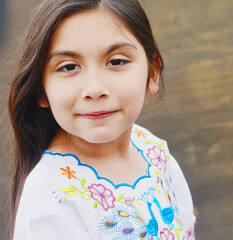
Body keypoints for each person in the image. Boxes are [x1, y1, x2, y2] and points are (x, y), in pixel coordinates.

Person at [8, 0, 196, 239]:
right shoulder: (49, 195)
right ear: (41, 90)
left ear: (153, 72)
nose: (95, 89)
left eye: (116, 61)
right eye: (68, 67)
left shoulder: (152, 150)